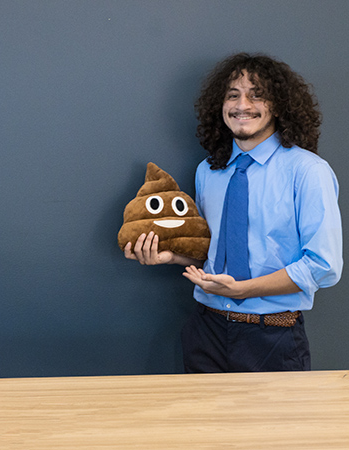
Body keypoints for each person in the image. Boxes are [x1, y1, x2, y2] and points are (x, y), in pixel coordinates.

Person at [124, 53, 342, 372]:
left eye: (257, 94)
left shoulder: (308, 171)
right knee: (203, 423)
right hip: (206, 330)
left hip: (273, 338)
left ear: (278, 105)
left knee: (273, 425)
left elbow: (323, 266)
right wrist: (173, 256)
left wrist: (244, 290)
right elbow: (215, 254)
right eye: (233, 95)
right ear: (221, 106)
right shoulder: (209, 171)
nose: (243, 104)